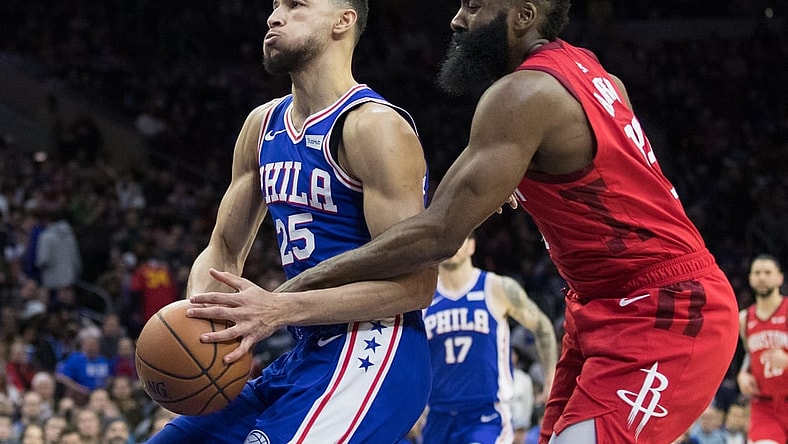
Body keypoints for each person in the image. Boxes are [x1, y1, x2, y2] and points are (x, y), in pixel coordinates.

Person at [259, 0, 740, 442]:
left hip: (667, 306)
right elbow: (610, 176)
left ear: (523, 15)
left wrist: (290, 293)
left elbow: (437, 235)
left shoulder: (523, 93)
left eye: (474, 6)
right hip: (602, 304)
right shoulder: (588, 70)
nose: (457, 19)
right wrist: (525, 173)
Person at [150, 0, 436, 442]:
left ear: (344, 20)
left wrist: (281, 309)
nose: (274, 16)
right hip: (303, 348)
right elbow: (224, 250)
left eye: (297, 4)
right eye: (275, 5)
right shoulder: (262, 125)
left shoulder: (373, 127)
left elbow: (416, 287)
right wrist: (198, 325)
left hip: (375, 350)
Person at [420, 234, 557, 443]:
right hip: (437, 414)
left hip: (486, 412)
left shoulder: (496, 287)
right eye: (447, 239)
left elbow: (542, 326)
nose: (453, 244)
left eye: (460, 238)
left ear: (472, 246)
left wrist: (550, 378)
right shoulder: (423, 297)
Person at [737, 254, 787, 443]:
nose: (762, 277)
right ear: (750, 278)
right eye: (757, 272)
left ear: (780, 277)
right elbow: (749, 355)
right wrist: (742, 374)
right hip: (764, 405)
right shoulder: (744, 319)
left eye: (768, 272)